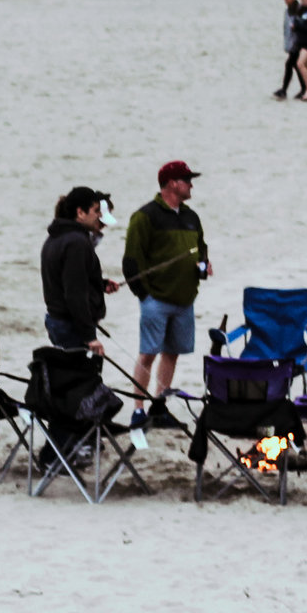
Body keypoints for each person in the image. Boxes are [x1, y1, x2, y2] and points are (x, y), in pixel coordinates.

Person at [123, 160, 213, 428]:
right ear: (172, 183)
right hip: (156, 300)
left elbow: (201, 248)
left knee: (172, 353)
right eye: (187, 180)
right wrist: (145, 296)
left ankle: (159, 406)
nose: (191, 185)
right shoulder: (145, 216)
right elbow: (131, 261)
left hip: (185, 300)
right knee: (148, 354)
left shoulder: (191, 217)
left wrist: (203, 267)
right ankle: (138, 409)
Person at [41, 186, 122, 354]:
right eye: (96, 211)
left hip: (58, 321)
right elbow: (75, 293)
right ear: (80, 213)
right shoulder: (76, 243)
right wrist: (90, 336)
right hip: (71, 326)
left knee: (68, 376)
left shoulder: (56, 237)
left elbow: (68, 280)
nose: (100, 216)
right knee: (81, 378)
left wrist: (100, 284)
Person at [274, 0, 303, 99]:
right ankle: (303, 88)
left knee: (290, 65)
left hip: (299, 44)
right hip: (291, 45)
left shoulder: (300, 11)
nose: (285, 0)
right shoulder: (287, 11)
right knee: (295, 65)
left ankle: (284, 90)